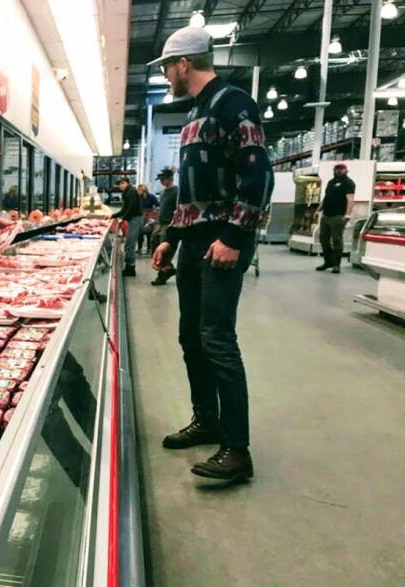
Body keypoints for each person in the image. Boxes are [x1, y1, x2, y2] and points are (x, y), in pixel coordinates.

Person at [149, 26, 273, 481]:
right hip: (195, 241)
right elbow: (190, 191)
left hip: (223, 241)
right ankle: (207, 418)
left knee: (217, 339)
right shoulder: (196, 113)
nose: (165, 74)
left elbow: (258, 177)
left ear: (184, 63)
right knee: (190, 337)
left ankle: (237, 449)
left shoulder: (234, 104)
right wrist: (171, 238)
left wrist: (235, 239)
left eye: (167, 65)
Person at [315, 163, 355, 274]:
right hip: (326, 216)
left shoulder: (348, 183)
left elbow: (350, 199)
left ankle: (336, 265)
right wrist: (318, 209)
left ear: (346, 170)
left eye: (341, 169)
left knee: (337, 240)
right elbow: (326, 197)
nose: (339, 171)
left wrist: (348, 214)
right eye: (337, 169)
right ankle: (328, 262)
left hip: (338, 216)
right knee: (323, 239)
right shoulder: (331, 182)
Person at [151, 168, 179, 285]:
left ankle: (162, 275)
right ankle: (169, 268)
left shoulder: (176, 192)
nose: (162, 181)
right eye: (160, 180)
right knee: (154, 245)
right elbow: (162, 207)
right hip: (159, 222)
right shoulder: (163, 192)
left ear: (170, 178)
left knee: (164, 250)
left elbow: (178, 209)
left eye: (163, 179)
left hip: (168, 223)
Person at [111, 177, 143, 276]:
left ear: (128, 183)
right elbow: (124, 209)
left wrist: (123, 218)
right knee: (129, 244)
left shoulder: (131, 192)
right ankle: (129, 266)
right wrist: (112, 216)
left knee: (130, 245)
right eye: (119, 184)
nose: (121, 186)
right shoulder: (127, 193)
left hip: (135, 219)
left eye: (122, 183)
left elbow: (131, 208)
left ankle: (131, 268)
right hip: (133, 219)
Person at [137, 184, 159, 254]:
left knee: (149, 233)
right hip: (140, 217)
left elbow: (158, 205)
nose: (139, 191)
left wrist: (155, 212)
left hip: (149, 216)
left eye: (140, 190)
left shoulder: (151, 197)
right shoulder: (137, 197)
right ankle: (139, 248)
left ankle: (149, 248)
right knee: (140, 233)